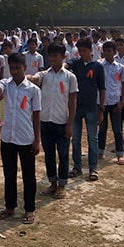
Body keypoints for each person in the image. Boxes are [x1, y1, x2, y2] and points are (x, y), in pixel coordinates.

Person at [0, 53, 40, 224]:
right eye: (12, 68)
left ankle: (29, 209)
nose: (15, 71)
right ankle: (10, 207)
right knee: (9, 174)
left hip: (26, 138)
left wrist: (36, 140)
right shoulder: (6, 84)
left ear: (25, 68)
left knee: (28, 175)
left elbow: (36, 116)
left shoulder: (33, 90)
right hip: (8, 138)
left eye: (18, 68)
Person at [29, 43, 77, 199]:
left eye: (56, 56)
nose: (52, 59)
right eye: (50, 56)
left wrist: (70, 125)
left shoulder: (70, 77)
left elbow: (72, 102)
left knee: (63, 154)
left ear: (63, 57)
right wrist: (26, 76)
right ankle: (53, 183)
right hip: (45, 121)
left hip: (61, 121)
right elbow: (35, 78)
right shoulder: (44, 75)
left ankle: (62, 184)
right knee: (49, 154)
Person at [66, 38, 105, 182]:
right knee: (75, 138)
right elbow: (66, 64)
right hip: (76, 107)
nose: (82, 53)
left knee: (92, 138)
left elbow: (102, 88)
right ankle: (77, 166)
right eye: (80, 51)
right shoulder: (75, 64)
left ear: (90, 50)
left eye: (84, 51)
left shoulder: (97, 67)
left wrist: (101, 108)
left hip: (91, 107)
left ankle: (93, 168)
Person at [97, 42, 124, 165]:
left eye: (110, 51)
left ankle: (120, 154)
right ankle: (100, 152)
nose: (107, 53)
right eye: (105, 51)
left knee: (117, 130)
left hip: (115, 101)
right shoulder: (99, 65)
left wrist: (122, 101)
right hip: (102, 103)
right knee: (102, 129)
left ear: (115, 52)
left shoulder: (120, 67)